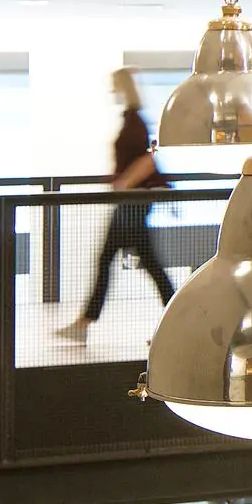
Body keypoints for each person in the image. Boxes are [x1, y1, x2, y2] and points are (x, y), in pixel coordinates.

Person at [56, 68, 173, 343]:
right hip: (130, 202)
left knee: (126, 261)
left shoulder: (135, 122)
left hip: (132, 203)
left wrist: (123, 183)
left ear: (124, 88)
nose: (112, 91)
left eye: (115, 86)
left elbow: (148, 160)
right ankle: (85, 322)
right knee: (135, 262)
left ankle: (85, 323)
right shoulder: (132, 120)